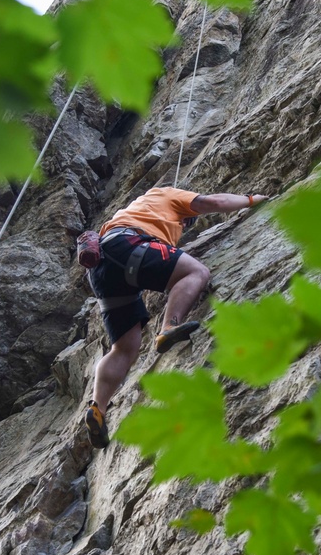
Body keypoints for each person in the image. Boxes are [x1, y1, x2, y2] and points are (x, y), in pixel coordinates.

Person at [84, 186, 268, 449]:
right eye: (186, 218)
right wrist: (251, 200)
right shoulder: (165, 193)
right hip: (128, 245)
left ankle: (97, 409)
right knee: (196, 272)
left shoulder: (134, 210)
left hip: (102, 268)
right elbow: (213, 201)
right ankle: (169, 326)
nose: (185, 221)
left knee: (124, 349)